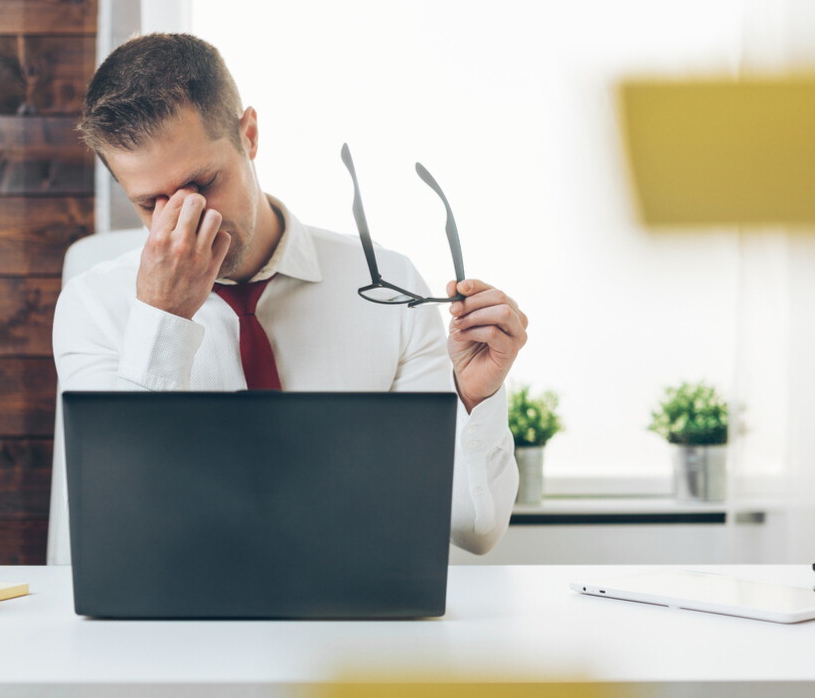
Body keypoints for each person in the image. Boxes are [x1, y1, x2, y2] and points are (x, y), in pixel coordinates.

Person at [54, 33, 528, 555]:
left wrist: (475, 398)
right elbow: (122, 524)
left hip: (350, 621)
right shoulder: (93, 307)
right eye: (151, 204)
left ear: (249, 136)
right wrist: (163, 318)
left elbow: (473, 530)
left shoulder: (390, 291)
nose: (189, 220)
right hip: (180, 627)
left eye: (203, 183)